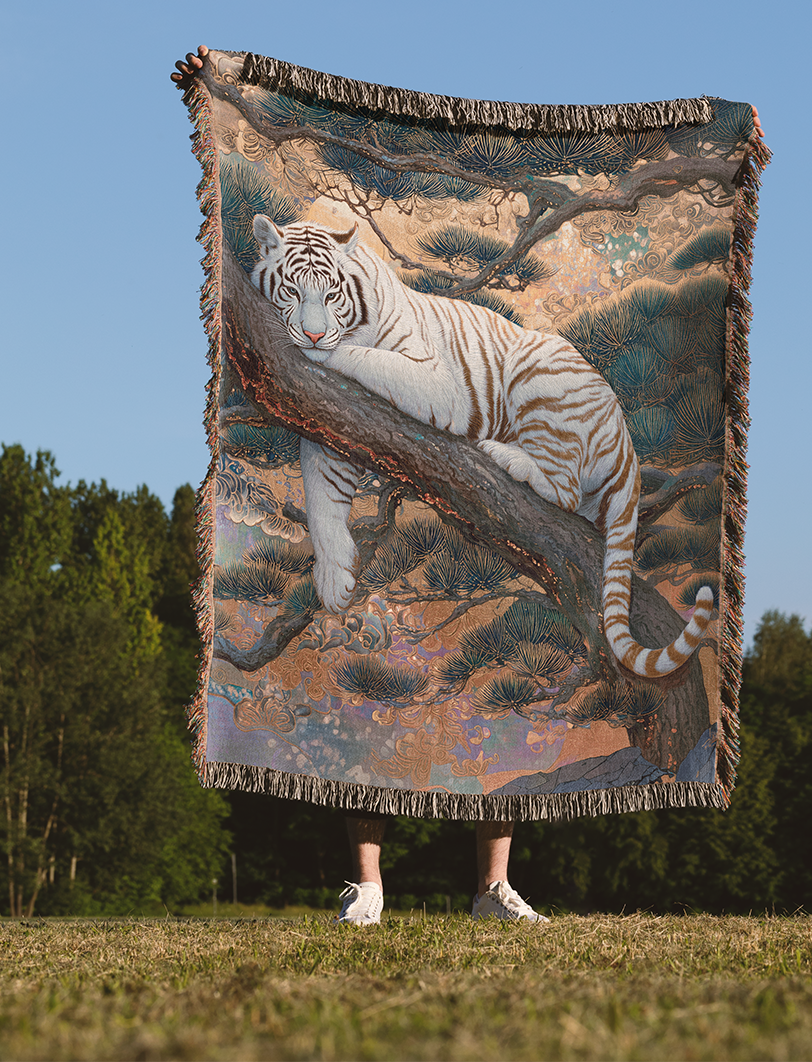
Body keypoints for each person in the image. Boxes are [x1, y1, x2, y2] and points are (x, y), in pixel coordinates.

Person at [173, 46, 550, 925]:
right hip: (370, 505)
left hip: (459, 496)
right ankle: (369, 882)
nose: (307, 322)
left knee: (490, 685)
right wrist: (213, 84)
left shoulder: (406, 307)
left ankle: (494, 884)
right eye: (292, 300)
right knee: (353, 676)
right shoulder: (304, 257)